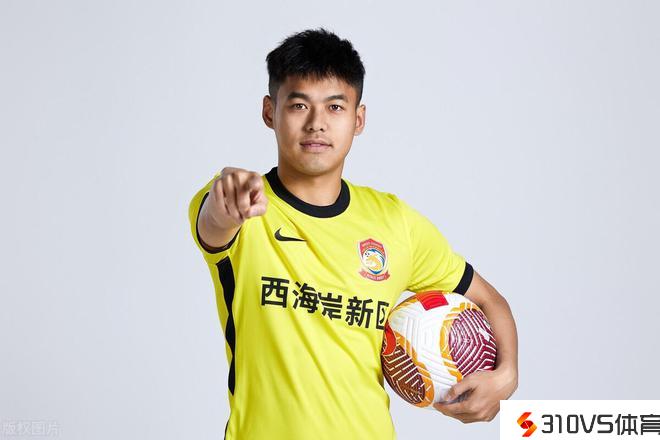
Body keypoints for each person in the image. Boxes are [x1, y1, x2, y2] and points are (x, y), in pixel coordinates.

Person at [188, 27, 518, 440]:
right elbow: (214, 223)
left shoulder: (395, 222)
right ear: (270, 112)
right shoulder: (243, 206)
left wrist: (506, 375)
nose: (317, 124)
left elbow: (489, 300)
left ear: (358, 119)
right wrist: (226, 199)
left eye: (335, 107)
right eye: (299, 105)